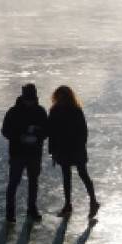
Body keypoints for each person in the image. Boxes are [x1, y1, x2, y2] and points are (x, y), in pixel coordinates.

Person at [46, 85, 99, 218]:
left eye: (63, 96)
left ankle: (93, 201)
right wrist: (52, 150)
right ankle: (68, 204)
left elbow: (83, 131)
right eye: (59, 97)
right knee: (67, 176)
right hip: (64, 149)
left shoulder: (75, 110)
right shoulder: (55, 111)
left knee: (82, 174)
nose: (61, 99)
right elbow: (51, 132)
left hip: (75, 149)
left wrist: (80, 145)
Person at [1, 84, 47, 222]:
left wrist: (37, 136)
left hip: (34, 154)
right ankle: (10, 212)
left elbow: (46, 131)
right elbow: (5, 131)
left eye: (31, 99)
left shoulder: (40, 111)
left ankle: (32, 209)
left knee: (33, 182)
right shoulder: (13, 112)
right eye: (27, 99)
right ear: (22, 97)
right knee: (14, 182)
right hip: (17, 153)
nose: (29, 102)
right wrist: (19, 137)